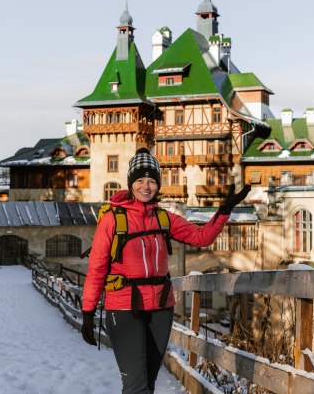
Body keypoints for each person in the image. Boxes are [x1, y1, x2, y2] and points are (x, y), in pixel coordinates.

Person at [81, 147, 250, 394]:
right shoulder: (112, 220)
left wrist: (225, 209)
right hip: (124, 307)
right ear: (130, 183)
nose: (146, 186)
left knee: (148, 382)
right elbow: (97, 268)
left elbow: (201, 237)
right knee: (136, 386)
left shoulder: (163, 218)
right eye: (140, 180)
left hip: (161, 308)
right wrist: (88, 311)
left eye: (151, 181)